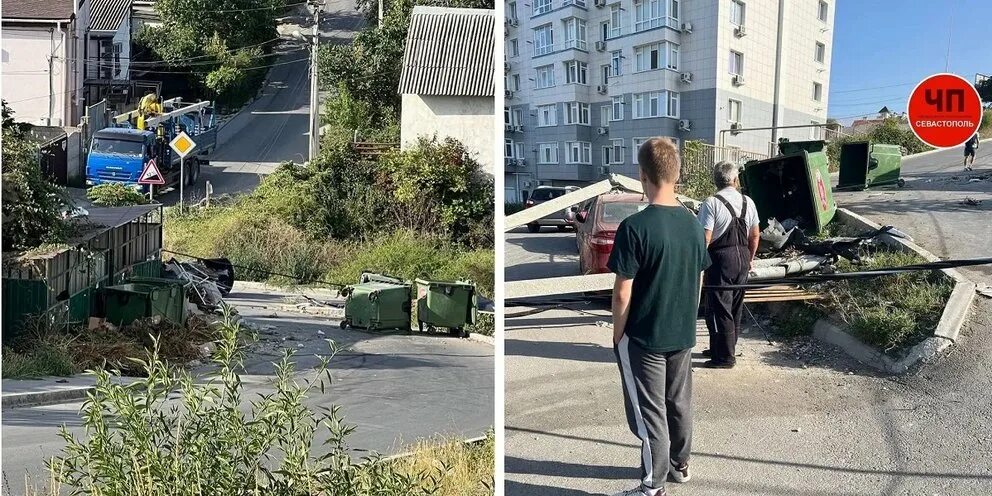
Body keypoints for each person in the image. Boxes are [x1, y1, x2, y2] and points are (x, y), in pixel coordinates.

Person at [607, 137, 711, 496]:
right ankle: (680, 466)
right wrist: (687, 317)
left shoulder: (635, 228)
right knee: (678, 403)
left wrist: (618, 335)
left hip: (645, 336)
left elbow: (623, 292)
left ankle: (652, 486)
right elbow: (699, 276)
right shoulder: (694, 224)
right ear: (676, 174)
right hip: (682, 333)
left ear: (642, 175)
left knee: (649, 413)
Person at [696, 161, 760, 369]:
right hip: (742, 257)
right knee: (734, 306)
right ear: (735, 180)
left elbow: (705, 237)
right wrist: (750, 259)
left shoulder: (711, 203)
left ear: (716, 181)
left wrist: (698, 263)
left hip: (720, 260)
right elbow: (755, 234)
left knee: (717, 308)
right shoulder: (748, 201)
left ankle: (724, 358)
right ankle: (723, 347)